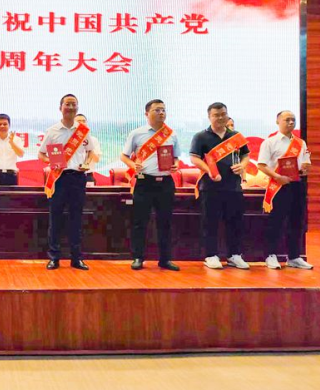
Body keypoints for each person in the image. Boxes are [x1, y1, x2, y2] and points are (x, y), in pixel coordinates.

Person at [121, 99, 180, 271]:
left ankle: (165, 259)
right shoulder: (137, 133)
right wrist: (133, 165)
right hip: (144, 182)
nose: (161, 113)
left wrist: (175, 165)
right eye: (157, 110)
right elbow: (124, 156)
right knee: (140, 222)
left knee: (165, 222)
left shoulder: (171, 134)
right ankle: (138, 257)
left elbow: (176, 157)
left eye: (163, 110)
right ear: (147, 114)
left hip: (165, 183)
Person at [190, 102, 250, 270]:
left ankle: (234, 255)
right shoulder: (201, 136)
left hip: (233, 186)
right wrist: (208, 169)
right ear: (209, 117)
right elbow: (194, 158)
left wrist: (242, 166)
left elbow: (245, 155)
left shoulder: (236, 136)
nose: (220, 118)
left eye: (223, 114)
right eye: (216, 115)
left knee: (235, 222)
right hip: (210, 186)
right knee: (210, 222)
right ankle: (211, 255)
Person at [39, 94, 94, 270]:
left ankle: (76, 258)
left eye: (73, 104)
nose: (70, 107)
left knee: (76, 219)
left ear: (77, 107)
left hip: (78, 178)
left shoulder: (83, 131)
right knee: (55, 218)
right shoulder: (52, 131)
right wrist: (51, 162)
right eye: (67, 104)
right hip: (59, 178)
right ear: (60, 107)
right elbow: (41, 154)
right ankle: (54, 257)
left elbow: (90, 151)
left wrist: (87, 163)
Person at [257, 110, 313, 270]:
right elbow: (261, 165)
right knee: (276, 221)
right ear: (278, 121)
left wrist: (305, 168)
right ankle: (271, 255)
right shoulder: (269, 142)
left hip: (297, 185)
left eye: (293, 120)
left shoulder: (301, 143)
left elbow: (306, 163)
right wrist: (277, 177)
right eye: (287, 120)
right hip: (279, 186)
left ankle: (294, 257)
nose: (291, 123)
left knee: (296, 221)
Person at [74, 114, 102, 184]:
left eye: (84, 121)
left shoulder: (93, 140)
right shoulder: (68, 140)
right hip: (71, 175)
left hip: (88, 175)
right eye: (79, 121)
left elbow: (97, 160)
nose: (82, 123)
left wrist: (89, 147)